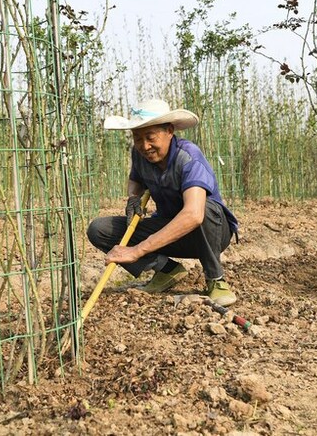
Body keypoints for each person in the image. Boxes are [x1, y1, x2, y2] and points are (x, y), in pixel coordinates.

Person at [86, 99, 239, 306]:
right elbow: (135, 180)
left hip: (209, 234)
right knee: (99, 229)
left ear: (169, 130)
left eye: (150, 138)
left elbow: (193, 215)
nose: (144, 146)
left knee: (204, 209)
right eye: (138, 139)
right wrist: (133, 197)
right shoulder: (140, 154)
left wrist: (137, 250)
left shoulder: (188, 157)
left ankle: (216, 280)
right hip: (170, 230)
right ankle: (167, 270)